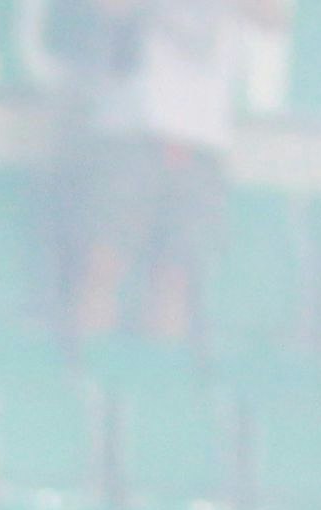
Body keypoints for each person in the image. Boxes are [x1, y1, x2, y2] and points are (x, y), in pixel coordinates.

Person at [63, 0, 286, 342]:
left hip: (202, 137)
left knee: (177, 276)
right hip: (131, 127)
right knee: (102, 265)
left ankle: (161, 369)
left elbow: (274, 17)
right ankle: (85, 363)